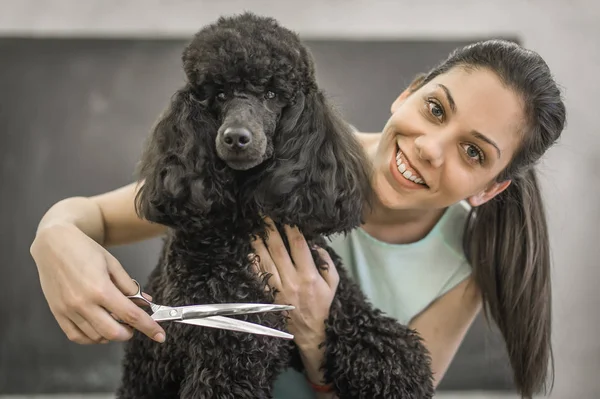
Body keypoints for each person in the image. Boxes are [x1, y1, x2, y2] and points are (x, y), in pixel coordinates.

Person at [30, 39, 566, 399]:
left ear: (491, 188)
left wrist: (316, 331)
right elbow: (95, 215)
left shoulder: (465, 267)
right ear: (409, 93)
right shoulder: (280, 154)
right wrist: (54, 235)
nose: (431, 148)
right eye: (436, 109)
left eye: (473, 153)